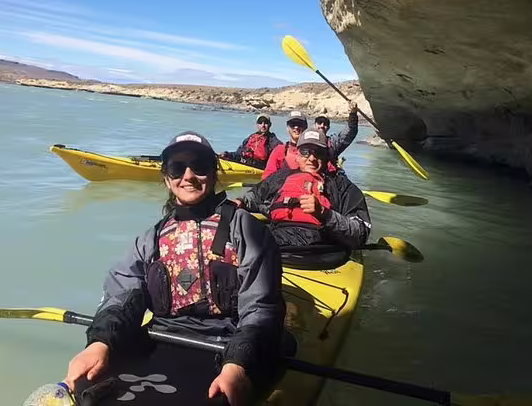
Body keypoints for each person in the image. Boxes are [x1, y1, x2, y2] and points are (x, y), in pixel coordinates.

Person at [63, 131, 286, 406]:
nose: (188, 176)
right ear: (167, 179)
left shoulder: (246, 229)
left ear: (215, 174)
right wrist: (100, 342)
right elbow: (122, 296)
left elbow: (261, 307)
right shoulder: (152, 238)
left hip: (228, 344)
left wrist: (238, 363)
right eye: (177, 167)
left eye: (200, 166)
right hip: (162, 336)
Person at [237, 128, 370, 261]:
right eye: (306, 152)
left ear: (326, 156)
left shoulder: (342, 186)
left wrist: (325, 214)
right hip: (277, 247)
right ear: (297, 156)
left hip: (322, 254)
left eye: (318, 153)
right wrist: (240, 201)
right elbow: (255, 196)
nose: (311, 158)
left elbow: (361, 232)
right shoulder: (279, 177)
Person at [261, 111, 308, 179]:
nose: (296, 127)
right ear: (287, 128)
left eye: (300, 124)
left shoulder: (314, 151)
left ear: (306, 127)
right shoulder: (279, 150)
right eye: (292, 124)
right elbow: (266, 177)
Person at [314, 102, 359, 168]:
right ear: (314, 125)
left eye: (325, 123)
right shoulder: (304, 140)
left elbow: (351, 131)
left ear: (328, 127)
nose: (322, 126)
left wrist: (353, 113)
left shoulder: (333, 143)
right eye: (319, 122)